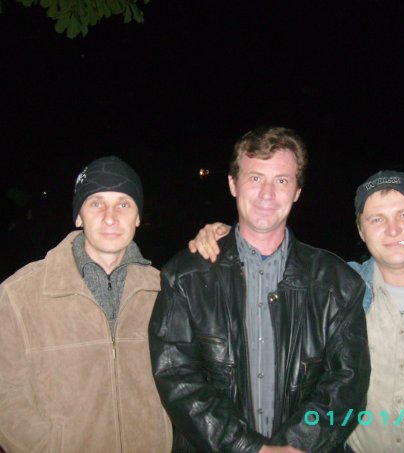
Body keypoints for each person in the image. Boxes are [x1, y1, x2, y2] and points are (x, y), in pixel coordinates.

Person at [192, 170, 404, 453]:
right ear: (361, 231)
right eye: (377, 219)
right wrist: (226, 237)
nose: (393, 230)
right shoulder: (335, 287)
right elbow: (267, 269)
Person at [149, 126, 370, 453]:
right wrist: (249, 448)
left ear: (297, 191)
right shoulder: (184, 277)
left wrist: (296, 445)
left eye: (281, 180)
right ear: (232, 184)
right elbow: (177, 378)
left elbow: (347, 385)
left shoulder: (338, 283)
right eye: (255, 178)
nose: (267, 194)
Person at [0, 156, 172, 452]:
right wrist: (47, 445)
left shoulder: (165, 291)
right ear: (78, 216)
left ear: (138, 216)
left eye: (124, 204)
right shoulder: (22, 294)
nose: (110, 217)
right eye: (96, 203)